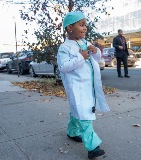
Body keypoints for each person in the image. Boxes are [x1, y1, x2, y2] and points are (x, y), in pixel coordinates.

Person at [57, 12, 110, 159]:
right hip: (76, 86)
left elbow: (97, 58)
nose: (85, 28)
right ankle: (93, 147)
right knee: (85, 115)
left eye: (85, 25)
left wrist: (96, 51)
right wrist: (81, 57)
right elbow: (64, 67)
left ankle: (72, 131)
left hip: (88, 85)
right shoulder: (64, 47)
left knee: (78, 110)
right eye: (81, 25)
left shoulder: (85, 43)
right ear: (69, 28)